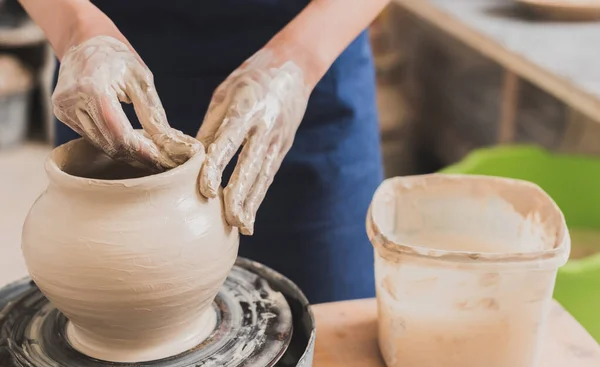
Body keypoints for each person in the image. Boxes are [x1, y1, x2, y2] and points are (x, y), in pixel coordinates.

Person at [19, 0, 389, 304]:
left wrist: (302, 57)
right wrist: (73, 26)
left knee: (329, 332)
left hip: (311, 52)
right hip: (109, 61)